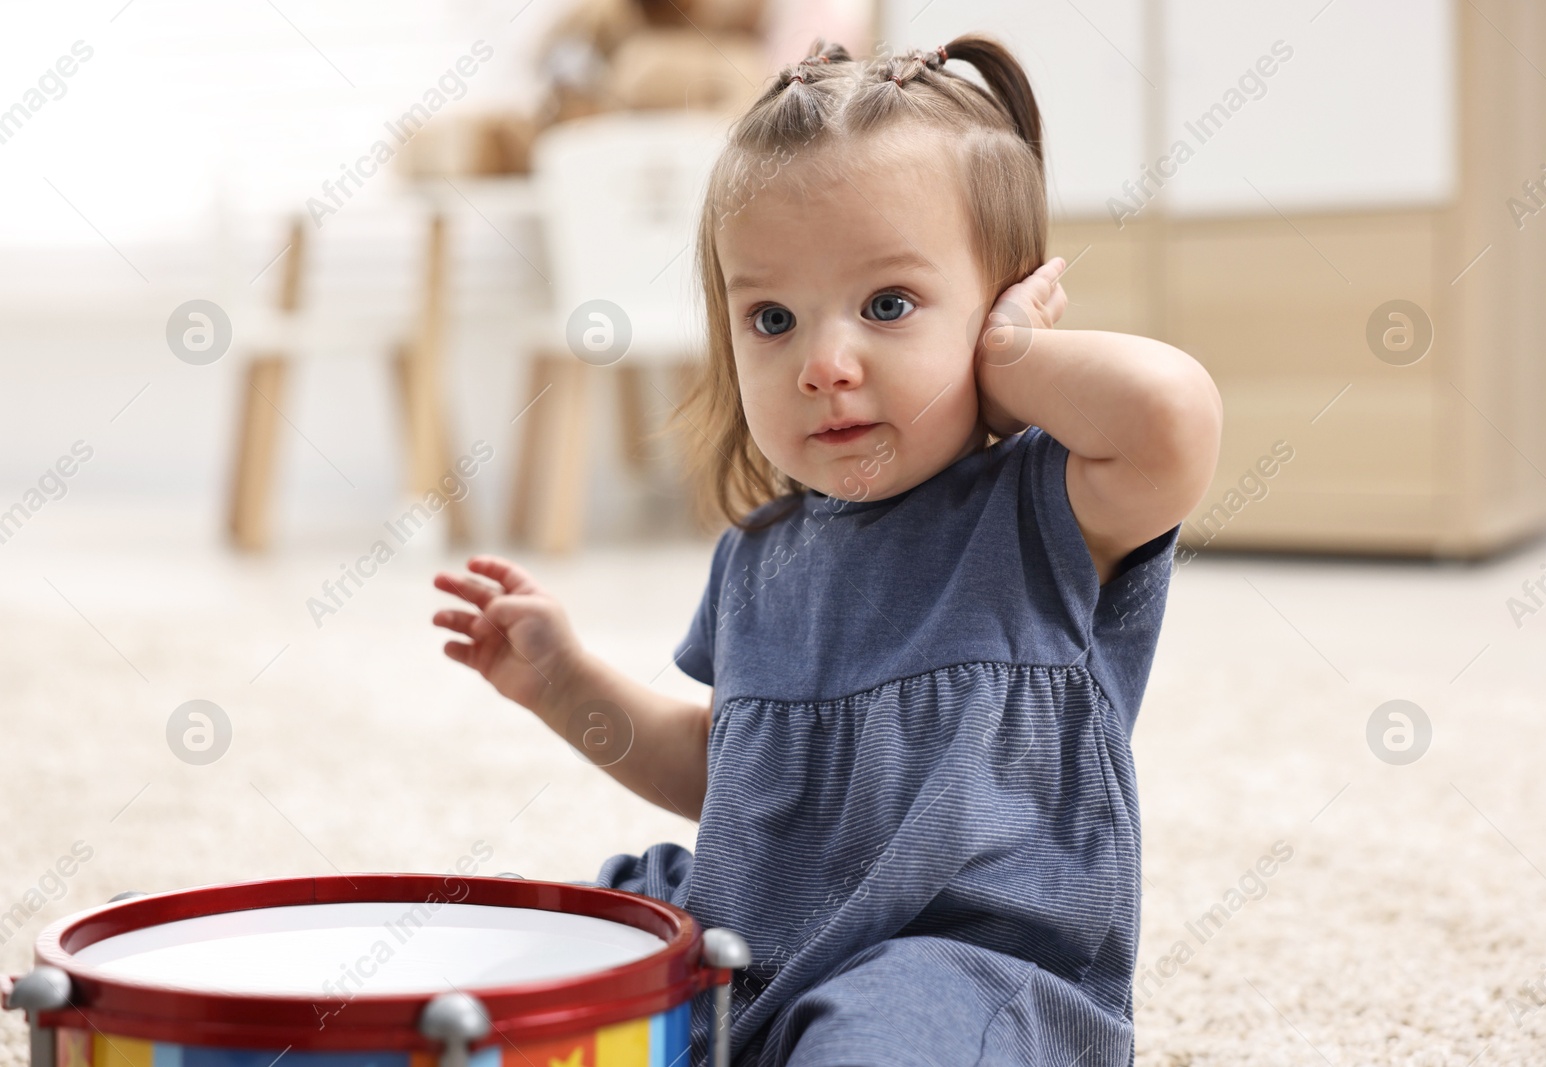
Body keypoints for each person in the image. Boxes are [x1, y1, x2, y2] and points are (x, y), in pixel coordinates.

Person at [431, 32, 1222, 1067]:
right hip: (750, 948)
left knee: (876, 1036)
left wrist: (1012, 360)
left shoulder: (1042, 511)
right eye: (771, 317)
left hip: (955, 969)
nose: (823, 363)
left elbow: (1171, 413)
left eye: (887, 306)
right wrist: (565, 684)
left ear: (1002, 309)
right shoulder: (759, 556)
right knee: (578, 944)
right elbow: (737, 779)